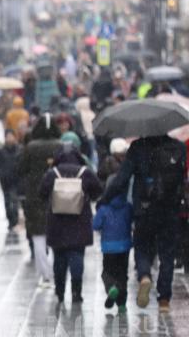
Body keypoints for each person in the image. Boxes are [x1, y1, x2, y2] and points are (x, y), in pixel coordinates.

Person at [100, 133, 187, 311]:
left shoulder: (138, 147)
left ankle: (145, 275)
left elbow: (121, 180)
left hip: (145, 208)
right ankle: (164, 299)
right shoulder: (178, 147)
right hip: (170, 208)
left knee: (142, 246)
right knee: (167, 253)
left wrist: (105, 198)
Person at [39, 144, 103, 304]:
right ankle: (76, 292)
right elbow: (98, 191)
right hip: (79, 222)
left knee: (59, 258)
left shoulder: (52, 174)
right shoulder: (85, 173)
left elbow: (41, 193)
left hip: (57, 223)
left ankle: (59, 292)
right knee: (77, 256)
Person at [20, 113, 65, 286]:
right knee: (57, 234)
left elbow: (20, 168)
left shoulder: (30, 147)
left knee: (38, 235)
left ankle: (44, 273)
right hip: (58, 194)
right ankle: (57, 269)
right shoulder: (61, 146)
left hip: (35, 195)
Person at [93, 171, 134, 314]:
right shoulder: (128, 207)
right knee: (123, 275)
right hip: (124, 246)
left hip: (109, 247)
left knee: (107, 272)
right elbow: (132, 221)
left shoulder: (104, 208)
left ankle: (111, 288)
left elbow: (95, 225)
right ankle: (122, 304)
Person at [0, 130, 23, 229]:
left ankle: (15, 218)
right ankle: (10, 219)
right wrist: (0, 173)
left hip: (16, 179)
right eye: (7, 136)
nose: (9, 139)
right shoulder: (0, 151)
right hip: (5, 180)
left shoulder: (20, 149)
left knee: (14, 200)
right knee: (7, 200)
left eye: (11, 136)